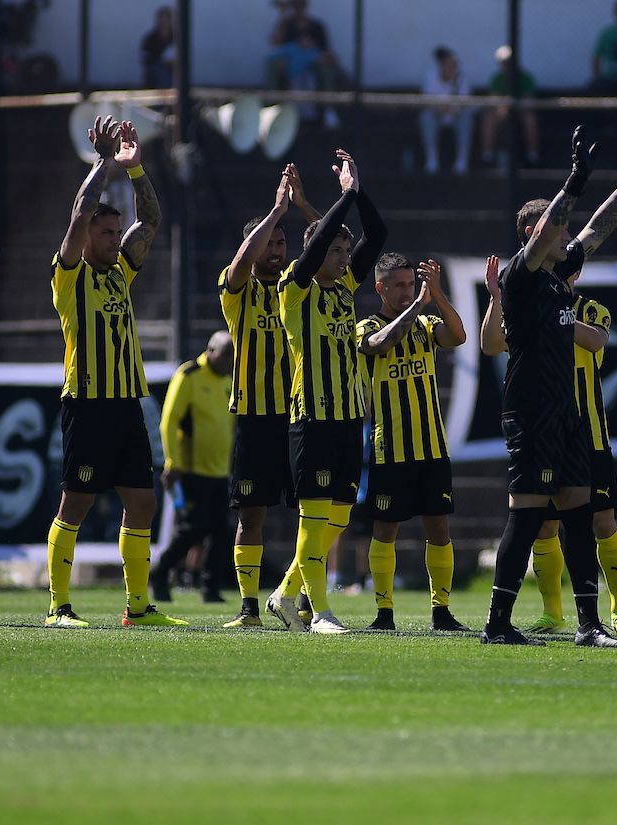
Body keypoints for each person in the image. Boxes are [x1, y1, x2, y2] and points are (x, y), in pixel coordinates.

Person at [481, 126, 617, 648]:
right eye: (553, 230)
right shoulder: (522, 276)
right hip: (530, 411)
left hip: (566, 412)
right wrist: (575, 180)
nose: (565, 234)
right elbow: (551, 233)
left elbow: (596, 231)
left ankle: (588, 624)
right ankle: (497, 623)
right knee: (529, 513)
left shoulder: (559, 277)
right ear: (533, 236)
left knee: (579, 511)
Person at [44, 116, 185, 629]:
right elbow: (80, 212)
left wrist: (137, 169)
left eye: (113, 231)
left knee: (143, 502)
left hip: (126, 404)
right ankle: (58, 607)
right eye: (104, 233)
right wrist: (103, 163)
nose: (113, 239)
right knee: (76, 502)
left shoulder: (121, 271)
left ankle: (138, 607)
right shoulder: (69, 276)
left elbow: (150, 221)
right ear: (85, 238)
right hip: (86, 403)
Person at [265, 148, 387, 634]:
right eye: (335, 252)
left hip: (347, 419)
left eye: (343, 252)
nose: (343, 259)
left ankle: (284, 595)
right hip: (310, 417)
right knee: (314, 522)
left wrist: (357, 192)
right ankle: (321, 613)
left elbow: (377, 236)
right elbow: (312, 250)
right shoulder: (295, 289)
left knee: (335, 523)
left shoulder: (341, 289)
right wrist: (342, 198)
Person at [216, 164, 320, 629]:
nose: (276, 250)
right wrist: (277, 210)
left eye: (281, 242)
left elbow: (332, 243)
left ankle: (304, 599)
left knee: (311, 510)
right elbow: (239, 268)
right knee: (251, 514)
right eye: (269, 243)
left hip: (300, 415)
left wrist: (300, 207)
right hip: (255, 416)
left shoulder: (298, 288)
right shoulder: (238, 292)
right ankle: (249, 608)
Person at [356, 255, 469, 632]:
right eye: (399, 285)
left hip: (433, 447)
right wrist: (418, 305)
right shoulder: (367, 325)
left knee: (439, 530)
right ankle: (384, 612)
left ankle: (441, 610)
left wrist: (437, 295)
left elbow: (458, 336)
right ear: (380, 288)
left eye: (410, 284)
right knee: (385, 530)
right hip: (391, 448)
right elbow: (381, 345)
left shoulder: (426, 322)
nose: (407, 291)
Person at [150, 331, 235, 605]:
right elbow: (169, 420)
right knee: (192, 529)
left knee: (221, 531)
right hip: (191, 469)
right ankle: (160, 573)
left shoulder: (228, 381)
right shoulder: (189, 375)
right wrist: (172, 463)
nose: (228, 363)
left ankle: (209, 588)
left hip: (220, 471)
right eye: (225, 356)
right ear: (210, 350)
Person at [268, 0, 343, 129]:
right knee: (273, 65)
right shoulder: (287, 25)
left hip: (312, 67)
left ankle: (328, 109)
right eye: (295, 5)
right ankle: (269, 108)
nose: (298, 8)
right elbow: (275, 45)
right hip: (291, 68)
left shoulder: (316, 26)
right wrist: (282, 16)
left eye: (301, 4)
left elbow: (325, 52)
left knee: (325, 70)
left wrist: (312, 51)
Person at [481, 45, 541, 168]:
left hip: (521, 111)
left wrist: (514, 107)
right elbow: (494, 100)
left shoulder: (526, 78)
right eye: (504, 63)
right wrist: (503, 108)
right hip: (502, 111)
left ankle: (532, 154)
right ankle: (488, 155)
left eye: (509, 62)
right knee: (489, 119)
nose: (507, 65)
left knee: (530, 119)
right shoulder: (497, 79)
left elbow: (528, 101)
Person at [420, 47, 475, 175]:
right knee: (426, 117)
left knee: (467, 117)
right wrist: (442, 109)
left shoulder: (462, 78)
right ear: (442, 65)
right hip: (437, 115)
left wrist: (452, 110)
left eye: (455, 65)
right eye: (449, 65)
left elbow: (463, 103)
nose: (453, 68)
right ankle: (431, 160)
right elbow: (428, 101)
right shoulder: (431, 76)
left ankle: (462, 161)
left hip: (456, 115)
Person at [140, 6, 175, 87]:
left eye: (166, 20)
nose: (164, 23)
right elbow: (145, 58)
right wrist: (162, 61)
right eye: (162, 20)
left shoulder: (176, 38)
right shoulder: (150, 38)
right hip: (156, 72)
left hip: (173, 72)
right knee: (159, 71)